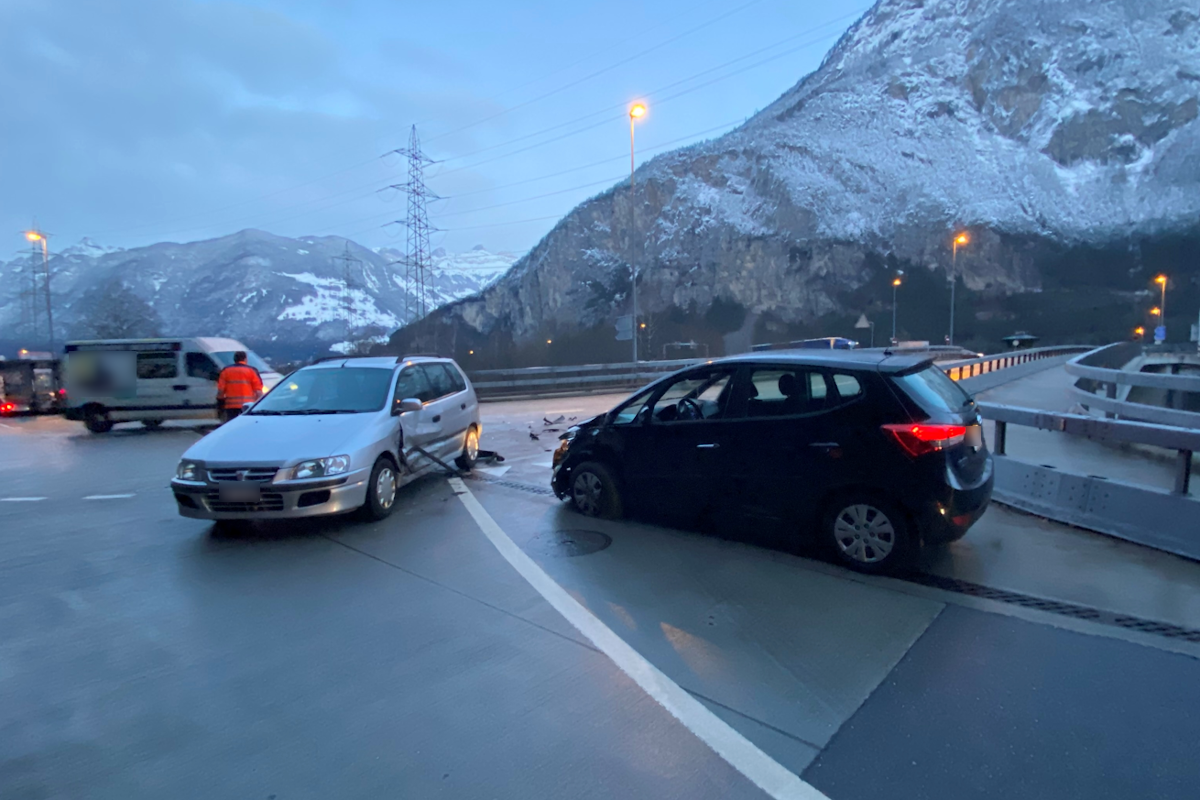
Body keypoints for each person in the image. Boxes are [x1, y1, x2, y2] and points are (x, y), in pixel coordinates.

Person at [216, 351, 263, 423]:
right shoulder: (251, 371)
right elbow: (258, 391)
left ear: (234, 359)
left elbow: (221, 391)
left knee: (232, 425)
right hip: (247, 406)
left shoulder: (226, 371)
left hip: (230, 406)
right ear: (245, 359)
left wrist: (220, 403)